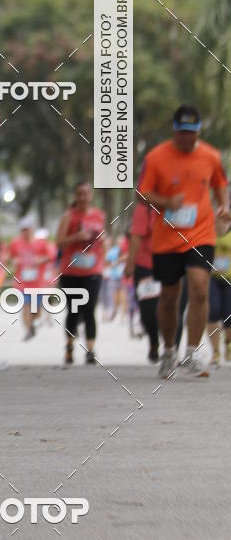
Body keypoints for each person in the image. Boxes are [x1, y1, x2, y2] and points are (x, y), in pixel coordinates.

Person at [137, 105, 230, 379]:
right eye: (181, 134)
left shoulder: (211, 156)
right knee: (169, 296)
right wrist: (166, 201)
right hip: (167, 238)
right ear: (174, 131)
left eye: (191, 134)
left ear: (198, 132)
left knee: (200, 288)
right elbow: (141, 194)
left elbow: (220, 183)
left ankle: (191, 352)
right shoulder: (156, 158)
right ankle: (168, 352)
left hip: (201, 234)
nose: (186, 139)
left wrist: (223, 205)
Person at [55, 182, 106, 365]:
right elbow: (59, 242)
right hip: (71, 271)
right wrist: (76, 237)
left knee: (90, 308)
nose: (83, 197)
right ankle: (69, 346)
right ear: (75, 196)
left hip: (93, 269)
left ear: (91, 195)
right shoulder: (69, 216)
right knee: (74, 310)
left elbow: (103, 241)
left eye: (86, 193)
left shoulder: (99, 215)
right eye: (80, 194)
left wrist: (103, 243)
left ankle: (90, 350)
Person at [125, 201, 160, 362]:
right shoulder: (143, 208)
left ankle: (171, 347)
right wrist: (130, 263)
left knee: (173, 306)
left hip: (174, 262)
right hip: (146, 265)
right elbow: (135, 236)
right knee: (148, 310)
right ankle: (154, 341)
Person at [9, 220, 54, 339]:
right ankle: (28, 329)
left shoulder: (41, 243)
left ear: (32, 230)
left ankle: (32, 325)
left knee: (36, 309)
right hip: (22, 281)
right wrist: (14, 261)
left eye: (27, 229)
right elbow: (10, 257)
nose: (25, 232)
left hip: (38, 282)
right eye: (23, 230)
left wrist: (41, 260)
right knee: (26, 304)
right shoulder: (16, 243)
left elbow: (50, 256)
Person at [207, 215, 231, 367]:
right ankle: (215, 352)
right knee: (212, 312)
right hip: (212, 278)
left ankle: (228, 344)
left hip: (229, 279)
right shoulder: (208, 232)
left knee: (228, 317)